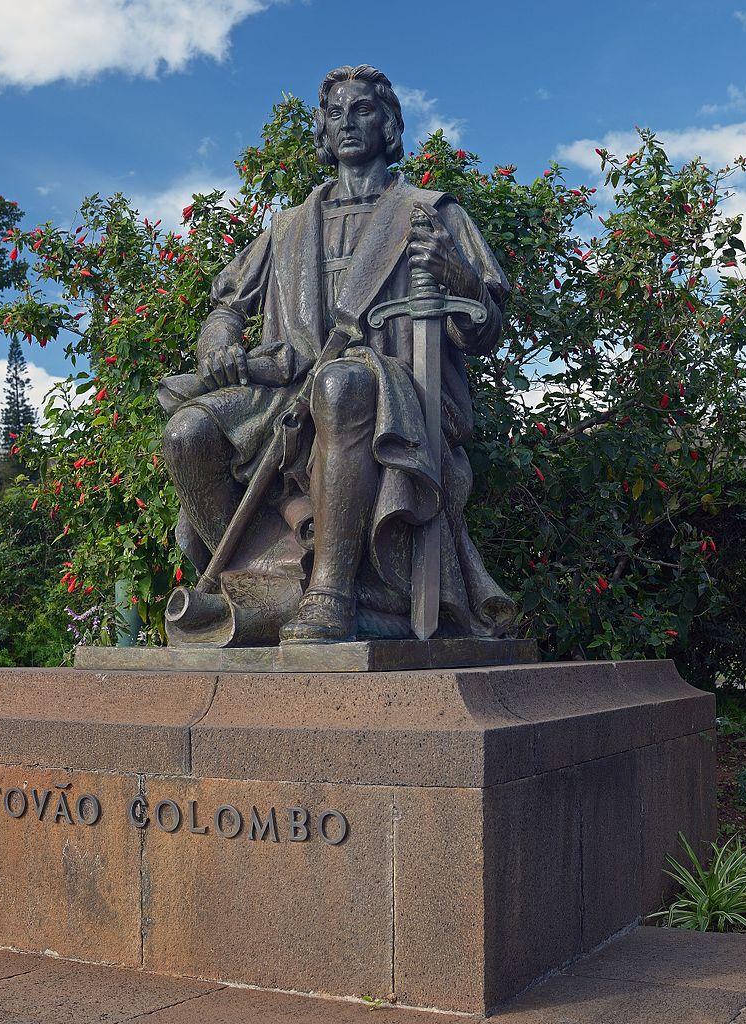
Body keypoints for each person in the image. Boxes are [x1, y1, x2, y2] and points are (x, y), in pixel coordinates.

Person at [160, 64, 515, 644]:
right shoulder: (289, 226)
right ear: (323, 132)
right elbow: (226, 303)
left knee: (342, 385)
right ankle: (265, 575)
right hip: (285, 391)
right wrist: (220, 338)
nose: (347, 122)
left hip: (393, 392)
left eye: (363, 110)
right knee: (186, 434)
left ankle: (331, 592)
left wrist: (461, 281)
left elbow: (485, 328)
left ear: (391, 126)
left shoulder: (432, 213)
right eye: (334, 113)